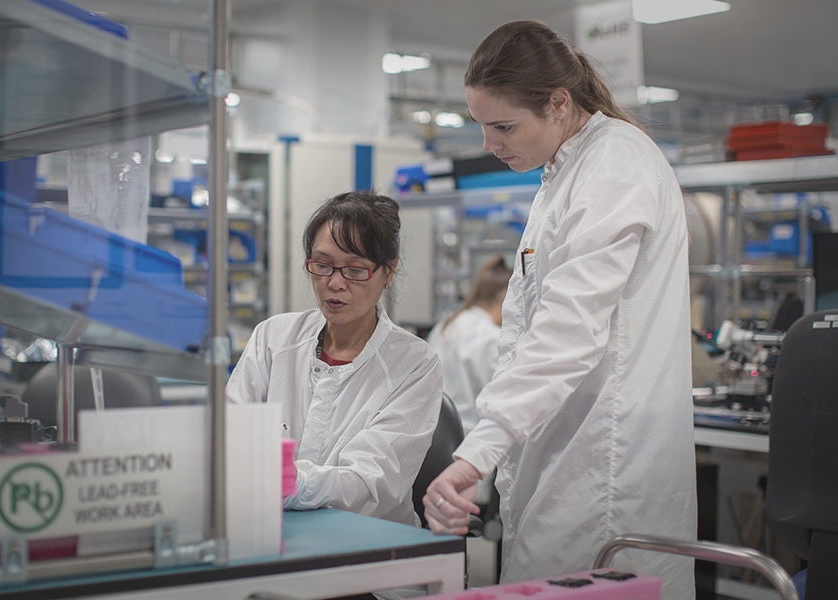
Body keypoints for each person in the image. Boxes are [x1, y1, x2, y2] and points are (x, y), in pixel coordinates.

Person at [422, 20, 697, 600]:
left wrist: (477, 454)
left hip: (607, 472)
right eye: (481, 125)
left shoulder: (614, 166)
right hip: (564, 458)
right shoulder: (564, 172)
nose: (489, 144)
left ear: (558, 102)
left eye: (503, 126)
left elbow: (566, 332)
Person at [226, 190, 443, 528]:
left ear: (388, 272)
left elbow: (370, 484)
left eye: (356, 270)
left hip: (371, 548)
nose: (335, 284)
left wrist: (287, 482)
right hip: (266, 530)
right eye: (322, 265)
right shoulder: (274, 339)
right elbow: (231, 433)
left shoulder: (413, 363)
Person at [427, 255, 511, 506]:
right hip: (472, 451)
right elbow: (506, 399)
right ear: (506, 296)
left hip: (434, 448)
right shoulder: (491, 336)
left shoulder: (445, 325)